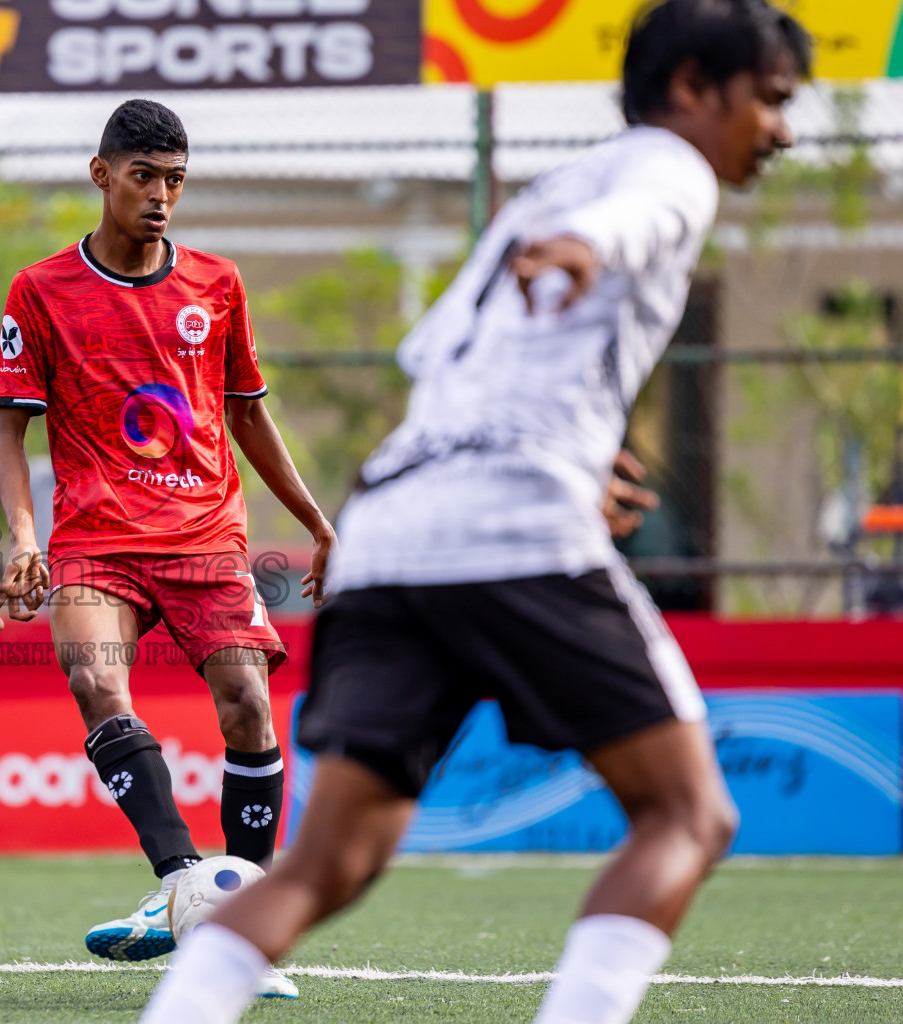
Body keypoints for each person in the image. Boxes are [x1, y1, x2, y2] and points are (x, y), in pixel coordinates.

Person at [140, 3, 809, 1022]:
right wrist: (589, 250)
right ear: (691, 88)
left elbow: (445, 363)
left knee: (332, 859)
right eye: (769, 100)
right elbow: (640, 221)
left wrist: (579, 441)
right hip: (512, 523)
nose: (784, 130)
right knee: (688, 811)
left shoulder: (540, 193)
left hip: (394, 520)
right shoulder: (666, 171)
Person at [0, 99, 335, 997]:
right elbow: (4, 436)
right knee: (95, 676)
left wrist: (315, 520)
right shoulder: (40, 290)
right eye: (144, 176)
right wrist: (22, 539)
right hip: (96, 540)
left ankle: (238, 922)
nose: (161, 196)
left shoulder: (216, 285)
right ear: (101, 174)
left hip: (204, 538)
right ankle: (188, 890)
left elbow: (249, 414)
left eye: (175, 180)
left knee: (249, 705)